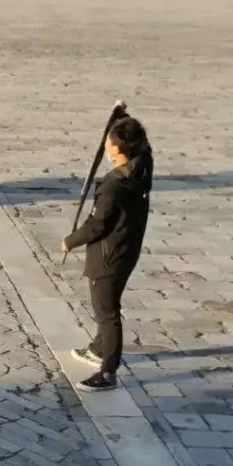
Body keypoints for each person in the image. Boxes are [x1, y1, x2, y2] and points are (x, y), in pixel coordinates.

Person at [62, 115, 153, 392]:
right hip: (127, 249)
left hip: (107, 256)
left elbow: (97, 224)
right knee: (108, 303)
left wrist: (70, 241)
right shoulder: (142, 166)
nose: (106, 142)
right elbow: (143, 145)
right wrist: (120, 116)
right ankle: (99, 347)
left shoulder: (113, 184)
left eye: (110, 139)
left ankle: (108, 370)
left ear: (118, 148)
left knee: (107, 312)